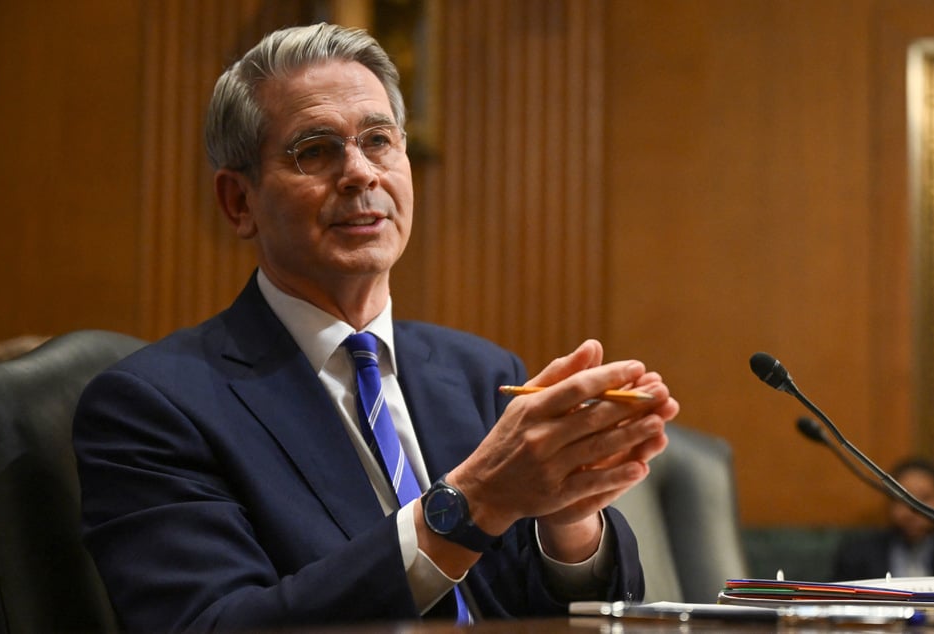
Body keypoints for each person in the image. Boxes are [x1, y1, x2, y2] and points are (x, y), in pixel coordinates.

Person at [73, 23, 679, 632]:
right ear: (239, 202)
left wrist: (568, 521)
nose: (361, 173)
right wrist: (471, 504)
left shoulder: (483, 375)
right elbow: (214, 625)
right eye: (314, 150)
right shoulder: (152, 408)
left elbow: (564, 609)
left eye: (379, 141)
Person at [832, 457, 934, 580]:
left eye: (924, 498)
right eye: (903, 499)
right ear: (890, 501)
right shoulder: (857, 555)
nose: (912, 511)